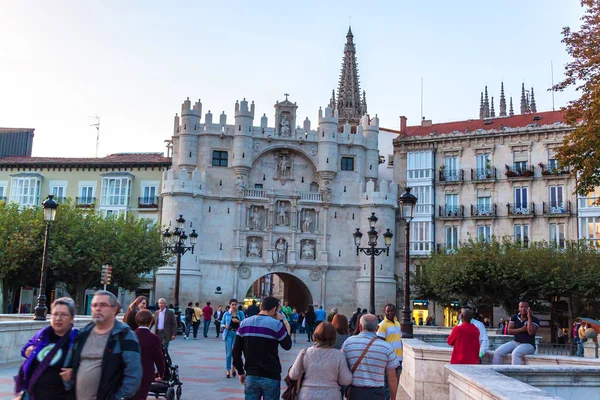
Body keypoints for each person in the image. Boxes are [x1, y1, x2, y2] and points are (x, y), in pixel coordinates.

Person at [71, 290, 141, 400]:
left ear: (114, 309)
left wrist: (119, 397)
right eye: (94, 305)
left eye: (103, 305)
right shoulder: (83, 334)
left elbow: (133, 374)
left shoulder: (125, 336)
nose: (97, 308)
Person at [16, 297, 78, 400]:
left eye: (63, 314)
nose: (58, 318)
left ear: (72, 318)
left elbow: (87, 367)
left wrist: (74, 373)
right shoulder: (43, 334)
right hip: (33, 394)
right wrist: (28, 349)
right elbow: (25, 349)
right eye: (55, 314)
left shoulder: (76, 339)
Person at [232, 296, 292, 400]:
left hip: (251, 374)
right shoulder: (276, 324)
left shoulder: (244, 323)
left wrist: (241, 372)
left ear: (261, 307)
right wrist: (282, 321)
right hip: (271, 375)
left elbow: (236, 351)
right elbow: (287, 345)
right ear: (274, 309)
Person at [289, 321, 352, 400]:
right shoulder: (339, 355)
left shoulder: (305, 352)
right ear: (334, 337)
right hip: (332, 395)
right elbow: (345, 380)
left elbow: (293, 375)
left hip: (307, 395)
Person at [342, 314, 398, 400]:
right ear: (377, 328)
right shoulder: (386, 347)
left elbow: (341, 367)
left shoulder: (348, 343)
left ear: (360, 327)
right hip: (376, 393)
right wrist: (393, 397)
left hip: (355, 392)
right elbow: (392, 378)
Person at [492, 301, 539, 365]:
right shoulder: (514, 317)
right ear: (519, 308)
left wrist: (529, 317)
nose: (523, 309)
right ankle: (495, 371)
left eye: (525, 307)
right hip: (516, 342)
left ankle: (515, 371)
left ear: (529, 308)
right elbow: (509, 331)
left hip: (529, 345)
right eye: (521, 307)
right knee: (498, 352)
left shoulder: (534, 319)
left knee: (516, 353)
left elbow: (531, 332)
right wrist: (522, 329)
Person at [133, 309, 166, 400]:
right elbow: (159, 357)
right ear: (151, 321)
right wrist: (161, 372)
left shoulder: (131, 335)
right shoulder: (154, 338)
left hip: (130, 373)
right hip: (145, 373)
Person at [377, 304, 403, 400]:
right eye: (388, 311)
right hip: (388, 360)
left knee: (395, 385)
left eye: (392, 311)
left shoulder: (397, 323)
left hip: (399, 359)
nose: (390, 313)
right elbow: (380, 342)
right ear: (385, 312)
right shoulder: (382, 325)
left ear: (395, 311)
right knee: (387, 386)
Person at [221, 298, 245, 378]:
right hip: (228, 333)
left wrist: (238, 322)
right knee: (229, 353)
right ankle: (228, 370)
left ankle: (234, 367)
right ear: (230, 305)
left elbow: (244, 324)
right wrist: (225, 326)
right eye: (232, 305)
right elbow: (222, 323)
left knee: (236, 353)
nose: (234, 306)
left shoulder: (240, 313)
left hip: (237, 334)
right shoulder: (226, 314)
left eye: (235, 304)